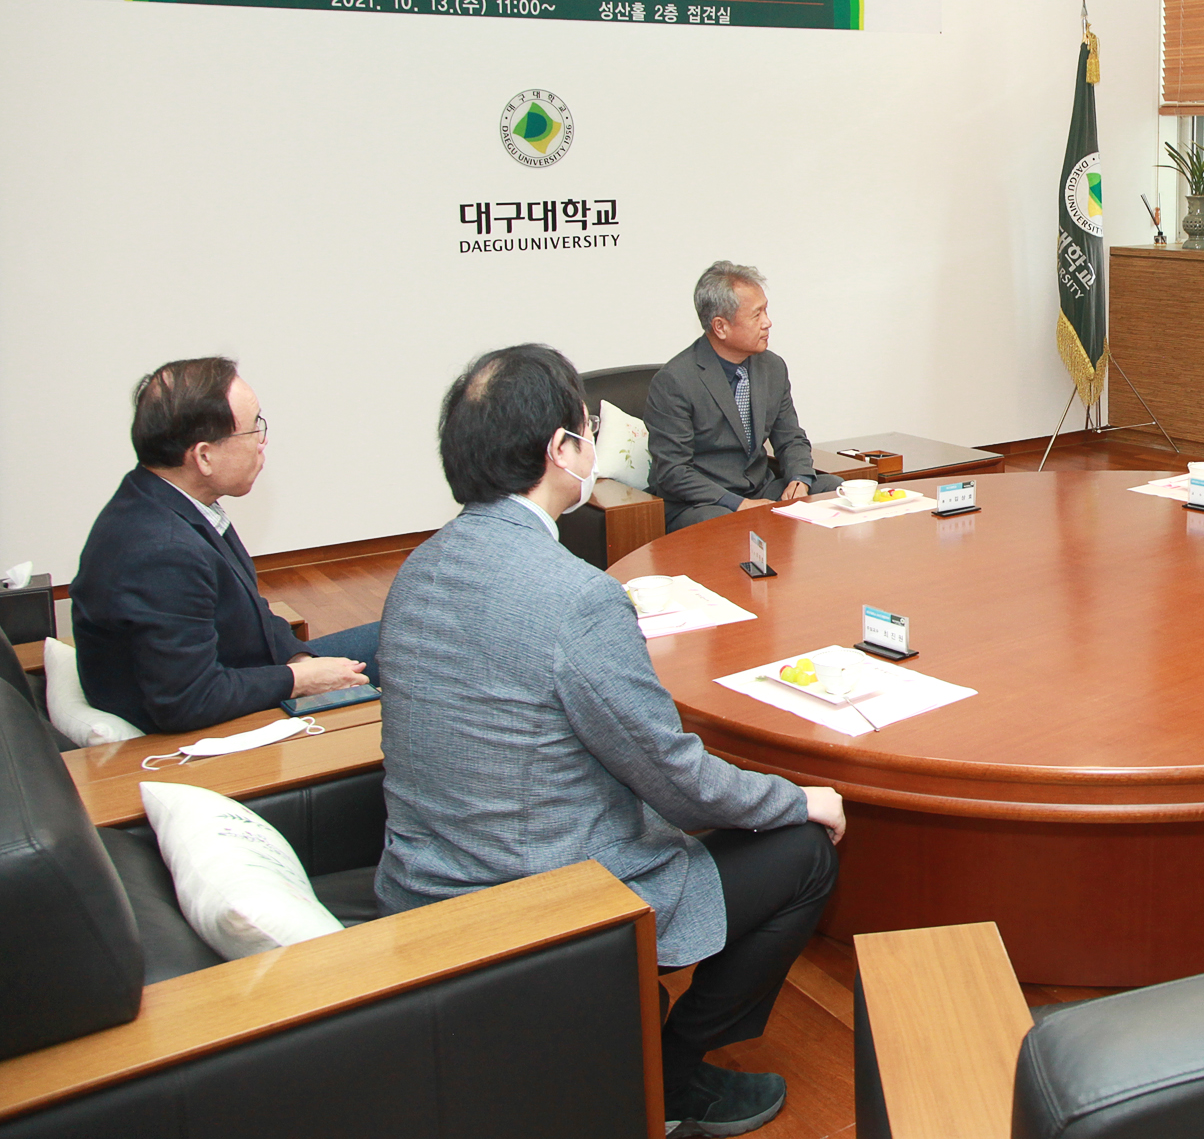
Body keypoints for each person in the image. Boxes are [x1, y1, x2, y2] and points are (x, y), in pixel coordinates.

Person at [376, 343, 843, 1136]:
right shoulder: (578, 599)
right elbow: (676, 777)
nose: (594, 445)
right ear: (562, 452)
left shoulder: (418, 567)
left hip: (424, 881)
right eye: (588, 430)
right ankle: (670, 1080)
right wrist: (799, 799)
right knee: (804, 852)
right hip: (544, 895)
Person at [71, 358, 376, 734]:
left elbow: (251, 613)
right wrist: (300, 680)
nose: (262, 443)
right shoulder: (162, 551)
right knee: (419, 651)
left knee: (411, 640)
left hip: (254, 673)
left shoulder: (163, 501)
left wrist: (299, 658)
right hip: (226, 724)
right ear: (204, 456)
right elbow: (189, 701)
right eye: (253, 430)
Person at [648, 261, 841, 531]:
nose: (767, 322)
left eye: (766, 310)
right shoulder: (675, 381)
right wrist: (737, 504)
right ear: (720, 327)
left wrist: (800, 478)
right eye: (756, 314)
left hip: (760, 489)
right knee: (724, 526)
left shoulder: (772, 367)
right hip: (703, 502)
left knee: (835, 491)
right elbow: (673, 471)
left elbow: (790, 438)